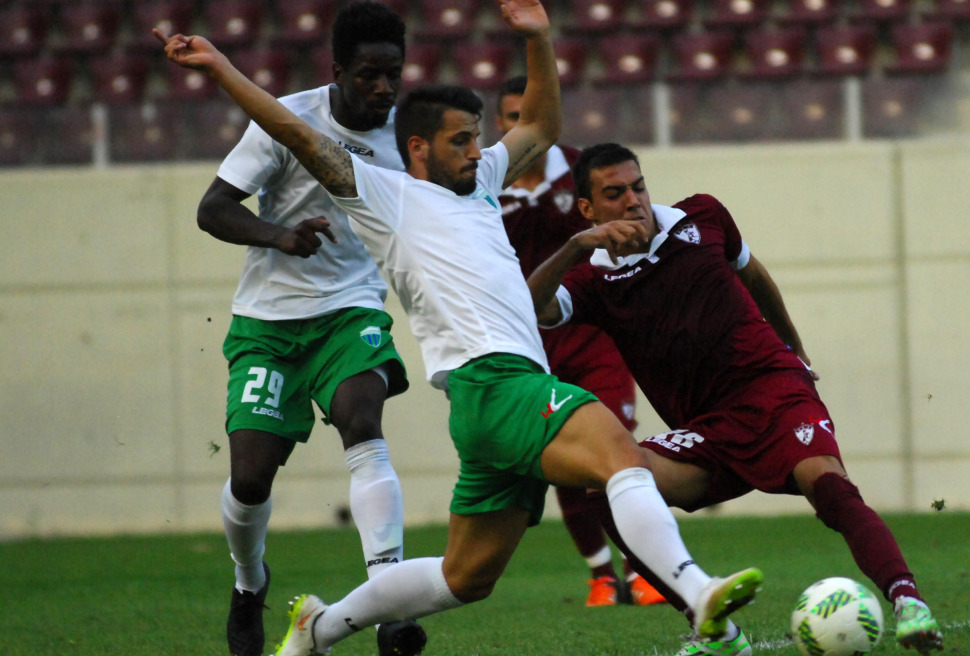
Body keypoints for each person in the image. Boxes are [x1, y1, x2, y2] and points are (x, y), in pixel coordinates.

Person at [155, 1, 761, 655]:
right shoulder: (385, 196)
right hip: (495, 383)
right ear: (417, 148)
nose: (479, 151)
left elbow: (542, 125)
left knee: (464, 577)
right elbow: (297, 134)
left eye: (477, 137)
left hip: (491, 402)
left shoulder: (481, 182)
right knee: (619, 454)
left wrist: (538, 38)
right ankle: (702, 597)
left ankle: (316, 630)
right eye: (461, 141)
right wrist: (221, 68)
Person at [527, 143, 946, 656]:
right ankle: (717, 633)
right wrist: (575, 246)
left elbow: (753, 274)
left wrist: (793, 347)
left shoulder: (702, 217)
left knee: (829, 486)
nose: (633, 201)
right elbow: (532, 306)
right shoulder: (592, 279)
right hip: (707, 431)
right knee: (609, 487)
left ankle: (908, 602)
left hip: (772, 391)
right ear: (587, 209)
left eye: (638, 187)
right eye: (615, 194)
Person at [193, 3, 424, 655]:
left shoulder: (410, 139)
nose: (383, 87)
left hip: (352, 310)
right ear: (338, 71)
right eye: (369, 74)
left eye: (393, 74)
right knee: (250, 480)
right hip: (268, 325)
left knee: (362, 420)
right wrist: (280, 236)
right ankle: (249, 583)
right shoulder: (286, 120)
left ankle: (388, 598)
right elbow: (212, 209)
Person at [494, 75, 665, 608]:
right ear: (499, 124)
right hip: (531, 343)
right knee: (562, 456)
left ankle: (643, 570)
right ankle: (601, 576)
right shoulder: (483, 186)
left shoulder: (583, 171)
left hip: (595, 333)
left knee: (618, 447)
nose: (521, 125)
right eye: (512, 117)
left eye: (529, 114)